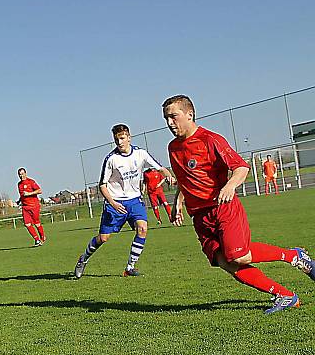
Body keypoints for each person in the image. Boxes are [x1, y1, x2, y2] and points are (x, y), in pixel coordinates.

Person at [163, 95, 314, 314]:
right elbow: (184, 178)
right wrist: (178, 202)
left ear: (189, 114)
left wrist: (230, 185)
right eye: (166, 118)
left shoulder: (210, 139)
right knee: (227, 263)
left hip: (222, 208)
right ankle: (285, 295)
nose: (169, 123)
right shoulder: (173, 148)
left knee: (238, 255)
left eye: (173, 116)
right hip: (199, 216)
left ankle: (294, 256)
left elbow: (241, 167)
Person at [74, 124, 174, 278]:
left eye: (122, 138)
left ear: (129, 137)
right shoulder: (111, 159)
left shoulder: (141, 154)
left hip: (134, 201)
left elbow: (161, 168)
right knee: (103, 238)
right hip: (115, 203)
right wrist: (113, 203)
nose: (119, 142)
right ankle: (83, 259)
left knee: (142, 228)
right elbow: (102, 185)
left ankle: (130, 267)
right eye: (116, 139)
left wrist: (168, 175)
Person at [16, 168, 45, 246]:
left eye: (22, 174)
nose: (21, 176)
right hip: (25, 207)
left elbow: (39, 190)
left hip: (34, 206)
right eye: (19, 174)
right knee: (27, 224)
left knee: (36, 223)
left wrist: (29, 193)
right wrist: (19, 200)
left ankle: (42, 237)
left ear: (25, 173)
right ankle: (37, 240)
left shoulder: (31, 182)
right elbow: (22, 194)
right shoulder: (19, 184)